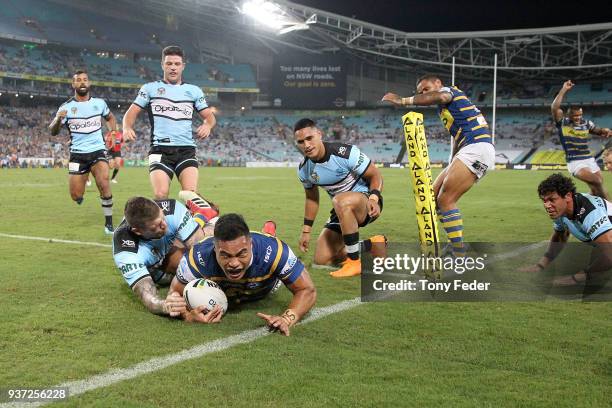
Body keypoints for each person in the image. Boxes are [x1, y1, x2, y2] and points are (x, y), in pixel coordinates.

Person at [382, 74, 495, 257]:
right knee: (432, 197)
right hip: (469, 149)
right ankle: (454, 244)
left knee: (446, 200)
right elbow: (457, 137)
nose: (424, 93)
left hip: (476, 148)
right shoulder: (446, 108)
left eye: (426, 89)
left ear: (438, 83)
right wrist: (452, 163)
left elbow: (440, 96)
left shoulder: (447, 92)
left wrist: (403, 101)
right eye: (420, 92)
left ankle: (459, 254)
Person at [170, 213, 317, 336]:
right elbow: (174, 293)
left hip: (265, 287)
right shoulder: (197, 258)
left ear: (251, 245)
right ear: (215, 249)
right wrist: (188, 316)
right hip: (228, 292)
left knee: (273, 253)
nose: (234, 263)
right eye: (226, 256)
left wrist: (286, 319)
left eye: (242, 253)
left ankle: (269, 233)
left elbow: (307, 290)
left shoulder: (275, 252)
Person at [294, 118, 386, 278]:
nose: (306, 145)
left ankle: (354, 261)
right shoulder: (304, 170)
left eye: (309, 138)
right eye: (301, 142)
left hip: (365, 201)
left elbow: (375, 175)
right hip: (341, 209)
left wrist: (374, 198)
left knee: (340, 201)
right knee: (322, 259)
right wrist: (306, 231)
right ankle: (373, 244)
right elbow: (311, 199)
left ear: (319, 134)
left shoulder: (345, 153)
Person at [122, 45, 217, 200]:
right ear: (162, 65)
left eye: (177, 64)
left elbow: (210, 117)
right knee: (160, 194)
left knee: (191, 196)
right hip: (160, 150)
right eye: (169, 63)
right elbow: (131, 113)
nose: (173, 68)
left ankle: (193, 224)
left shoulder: (194, 91)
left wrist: (207, 125)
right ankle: (163, 224)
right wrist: (126, 127)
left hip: (186, 150)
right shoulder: (150, 89)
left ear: (183, 66)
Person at [112, 197, 206, 317]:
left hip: (170, 246)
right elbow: (149, 298)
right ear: (138, 231)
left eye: (162, 218)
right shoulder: (126, 251)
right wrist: (165, 305)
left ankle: (204, 216)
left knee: (210, 235)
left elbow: (202, 251)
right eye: (156, 226)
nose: (164, 225)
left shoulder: (172, 209)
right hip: (158, 270)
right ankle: (200, 218)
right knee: (182, 269)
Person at [49, 70, 117, 234]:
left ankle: (109, 224)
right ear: (73, 85)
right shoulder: (66, 107)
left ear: (89, 83)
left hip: (98, 151)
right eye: (78, 80)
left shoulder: (99, 103)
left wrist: (113, 133)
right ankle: (81, 190)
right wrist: (58, 119)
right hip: (78, 155)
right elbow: (53, 131)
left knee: (104, 182)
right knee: (76, 195)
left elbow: (110, 118)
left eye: (85, 80)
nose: (82, 82)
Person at [523, 173, 612, 286]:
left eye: (552, 199)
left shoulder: (590, 213)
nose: (547, 205)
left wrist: (576, 278)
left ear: (568, 196)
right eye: (544, 201)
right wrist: (541, 265)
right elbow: (560, 236)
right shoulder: (561, 210)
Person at [551, 80, 612, 199]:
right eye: (575, 116)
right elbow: (555, 108)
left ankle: (578, 205)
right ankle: (609, 208)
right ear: (569, 116)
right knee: (597, 181)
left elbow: (598, 131)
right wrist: (564, 89)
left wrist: (605, 131)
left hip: (589, 159)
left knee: (595, 188)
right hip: (576, 162)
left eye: (580, 115)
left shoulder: (586, 123)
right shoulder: (563, 123)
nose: (578, 117)